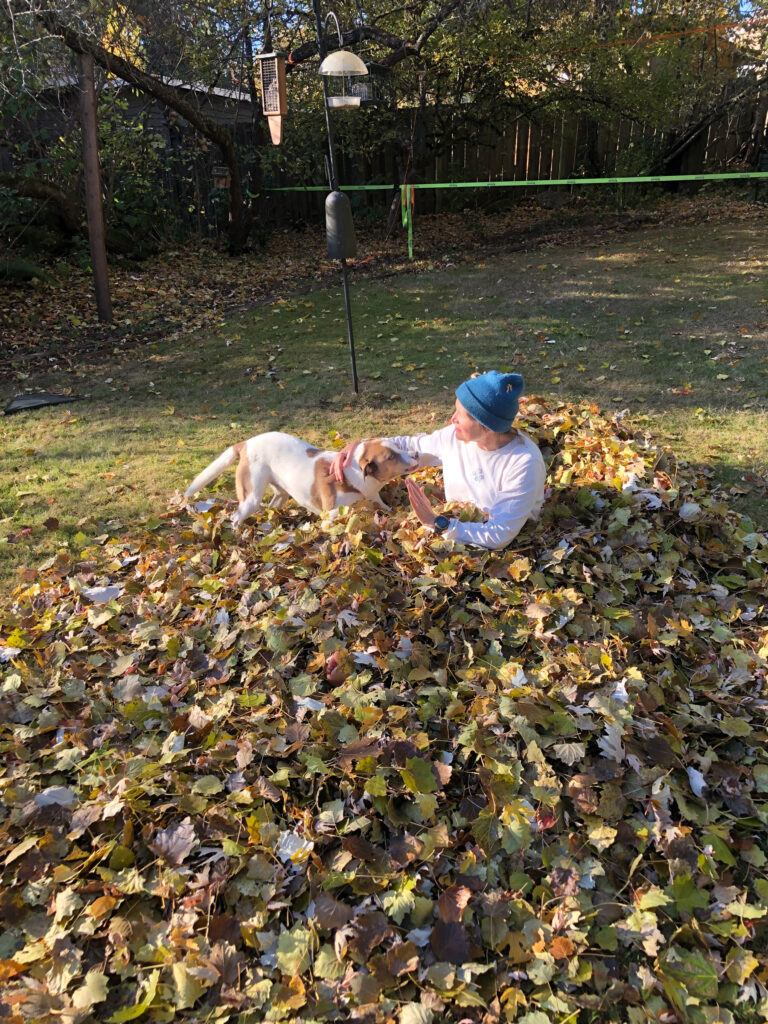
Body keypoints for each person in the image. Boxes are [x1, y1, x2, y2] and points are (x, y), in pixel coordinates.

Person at [331, 370, 546, 550]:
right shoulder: (454, 438)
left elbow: (499, 535)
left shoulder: (523, 463)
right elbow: (409, 446)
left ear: (485, 425)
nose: (452, 420)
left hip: (507, 551)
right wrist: (361, 448)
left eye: (460, 415)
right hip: (455, 529)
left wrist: (437, 523)